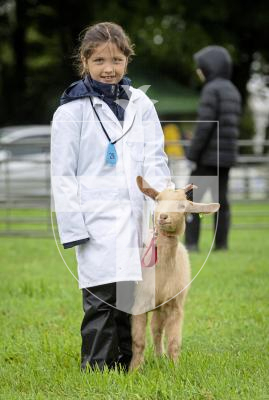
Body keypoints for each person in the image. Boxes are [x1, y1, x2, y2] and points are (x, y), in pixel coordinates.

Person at [50, 22, 172, 372]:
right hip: (95, 215)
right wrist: (74, 226)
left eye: (117, 60)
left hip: (137, 214)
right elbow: (63, 175)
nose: (109, 68)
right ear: (84, 61)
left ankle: (127, 361)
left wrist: (163, 202)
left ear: (127, 61)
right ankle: (97, 367)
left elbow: (155, 157)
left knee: (130, 291)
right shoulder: (70, 112)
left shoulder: (141, 103)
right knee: (100, 293)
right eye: (100, 60)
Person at [185, 46, 241, 251]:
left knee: (191, 200)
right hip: (225, 158)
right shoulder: (232, 90)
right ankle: (221, 245)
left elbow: (205, 126)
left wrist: (192, 154)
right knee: (221, 201)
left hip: (207, 157)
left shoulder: (211, 90)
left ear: (210, 68)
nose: (199, 72)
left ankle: (191, 244)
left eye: (201, 68)